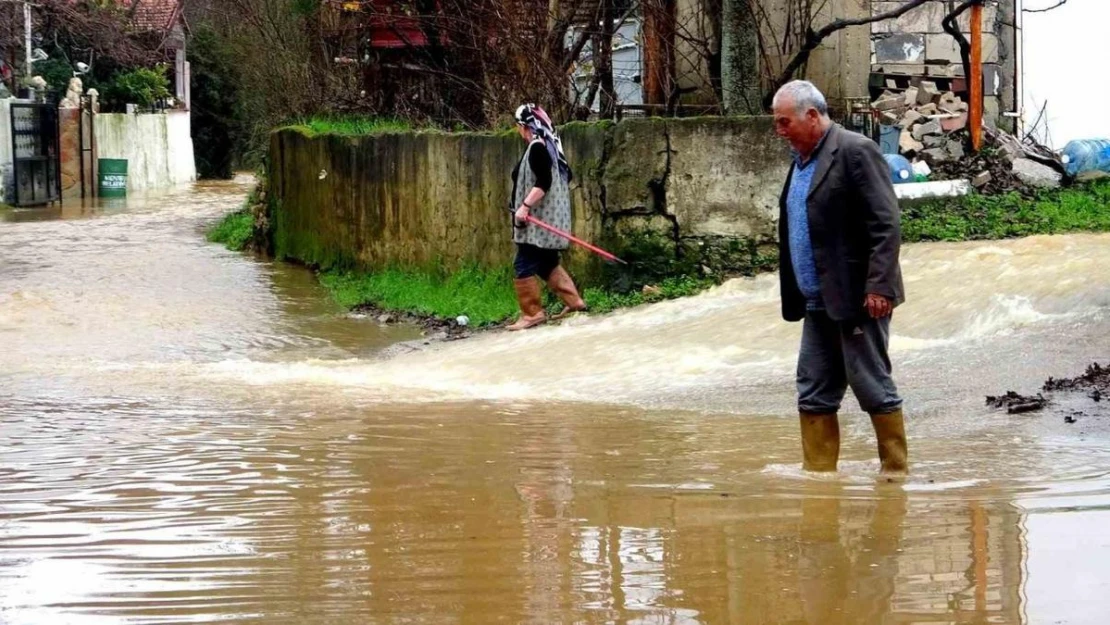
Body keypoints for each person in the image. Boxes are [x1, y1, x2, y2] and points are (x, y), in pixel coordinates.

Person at [770, 80, 908, 474]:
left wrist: (879, 285)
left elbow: (886, 223)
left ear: (812, 116)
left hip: (857, 297)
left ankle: (895, 476)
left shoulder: (855, 151)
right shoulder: (800, 160)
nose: (779, 131)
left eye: (784, 122)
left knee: (871, 385)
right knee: (813, 390)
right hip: (816, 301)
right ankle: (819, 480)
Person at [506, 104, 587, 331]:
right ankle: (574, 302)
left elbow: (544, 182)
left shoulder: (538, 148)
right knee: (547, 263)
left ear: (524, 127)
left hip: (536, 222)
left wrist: (524, 206)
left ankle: (532, 313)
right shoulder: (551, 148)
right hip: (551, 220)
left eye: (518, 126)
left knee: (523, 264)